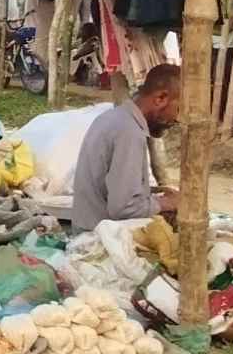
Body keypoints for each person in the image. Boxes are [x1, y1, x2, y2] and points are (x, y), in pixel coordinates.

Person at [71, 64, 182, 231]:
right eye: (178, 109)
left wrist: (153, 192)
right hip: (96, 239)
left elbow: (112, 187)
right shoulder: (129, 132)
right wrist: (168, 203)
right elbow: (124, 208)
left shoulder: (116, 117)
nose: (177, 118)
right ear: (160, 98)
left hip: (89, 227)